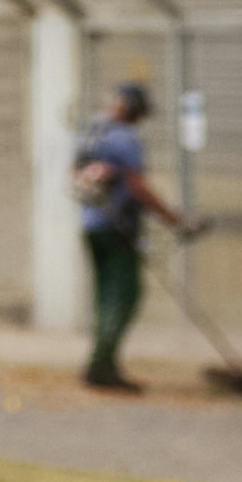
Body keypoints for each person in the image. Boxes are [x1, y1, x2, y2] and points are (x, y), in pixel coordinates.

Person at [72, 77, 162, 392]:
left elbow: (76, 174)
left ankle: (102, 363)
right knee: (125, 295)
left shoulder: (92, 131)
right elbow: (137, 187)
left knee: (104, 295)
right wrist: (170, 217)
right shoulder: (125, 138)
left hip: (91, 225)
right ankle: (101, 364)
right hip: (118, 227)